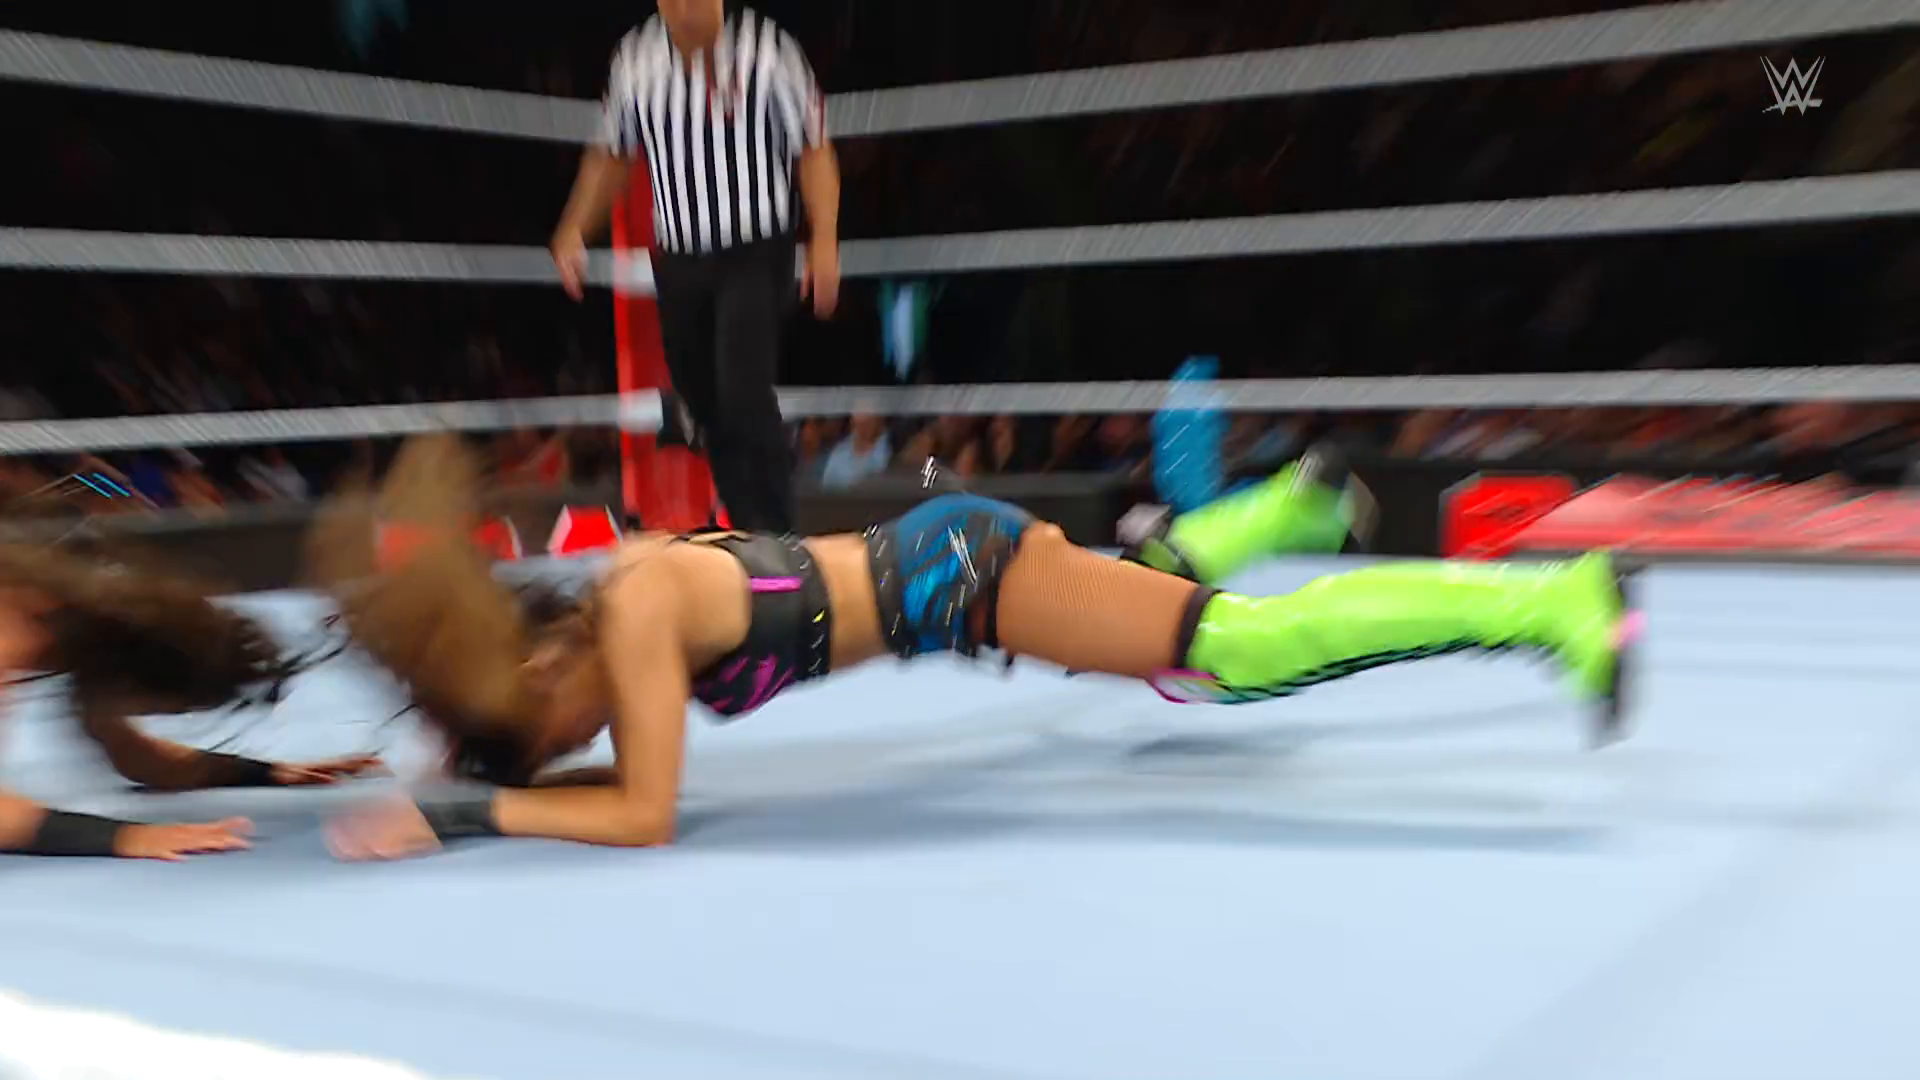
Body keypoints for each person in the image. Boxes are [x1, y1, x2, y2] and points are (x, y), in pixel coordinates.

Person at [317, 436, 1635, 860]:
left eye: (551, 737)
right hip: (954, 566)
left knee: (1230, 657)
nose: (575, 748)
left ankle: (1556, 604)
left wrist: (473, 814)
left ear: (544, 670)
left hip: (968, 579)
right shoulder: (612, 602)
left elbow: (646, 812)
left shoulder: (636, 614)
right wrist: (469, 764)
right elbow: (594, 761)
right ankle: (1290, 504)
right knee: (1167, 632)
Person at [552, 0, 839, 533]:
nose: (686, 9)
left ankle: (775, 534)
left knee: (741, 388)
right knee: (700, 396)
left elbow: (814, 146)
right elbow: (612, 153)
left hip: (756, 248)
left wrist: (824, 238)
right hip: (680, 258)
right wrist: (574, 227)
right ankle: (751, 524)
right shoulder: (635, 61)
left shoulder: (768, 51)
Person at [0, 544, 380, 860]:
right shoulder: (18, 613)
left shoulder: (61, 634)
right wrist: (126, 837)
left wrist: (262, 773)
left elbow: (147, 762)